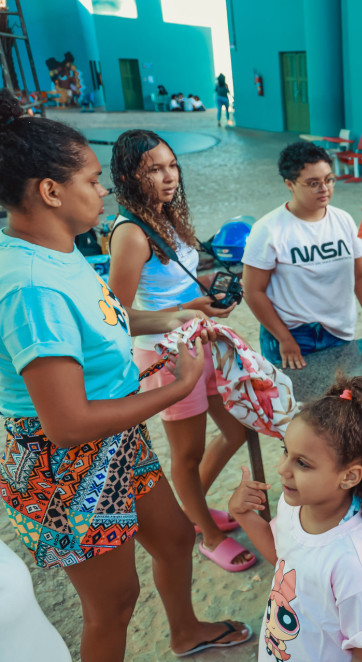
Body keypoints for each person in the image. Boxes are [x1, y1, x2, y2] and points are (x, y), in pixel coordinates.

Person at [0, 89, 252, 660]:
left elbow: (108, 316)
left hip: (114, 441)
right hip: (63, 464)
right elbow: (67, 424)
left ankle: (185, 631)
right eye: (93, 180)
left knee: (176, 536)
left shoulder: (56, 248)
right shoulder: (32, 286)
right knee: (113, 603)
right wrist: (182, 387)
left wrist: (182, 313)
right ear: (50, 190)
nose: (104, 190)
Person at [108, 129, 255, 573]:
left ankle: (192, 511)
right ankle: (206, 534)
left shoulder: (166, 217)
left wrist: (211, 292)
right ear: (130, 175)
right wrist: (187, 308)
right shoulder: (131, 233)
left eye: (172, 165)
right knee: (186, 456)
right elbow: (116, 315)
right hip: (166, 357)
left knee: (236, 431)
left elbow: (179, 279)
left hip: (201, 342)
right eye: (155, 169)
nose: (169, 176)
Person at [229, 374, 362, 662]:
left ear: (349, 476)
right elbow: (285, 558)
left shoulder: (357, 568)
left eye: (302, 463)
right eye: (285, 451)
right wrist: (242, 514)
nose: (282, 469)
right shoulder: (295, 505)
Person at [242, 140, 362, 370]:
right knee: (296, 402)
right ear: (290, 184)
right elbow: (253, 291)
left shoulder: (343, 220)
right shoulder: (269, 229)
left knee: (338, 400)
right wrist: (284, 339)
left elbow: (361, 276)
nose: (324, 189)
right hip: (292, 334)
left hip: (339, 332)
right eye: (313, 183)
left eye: (329, 179)